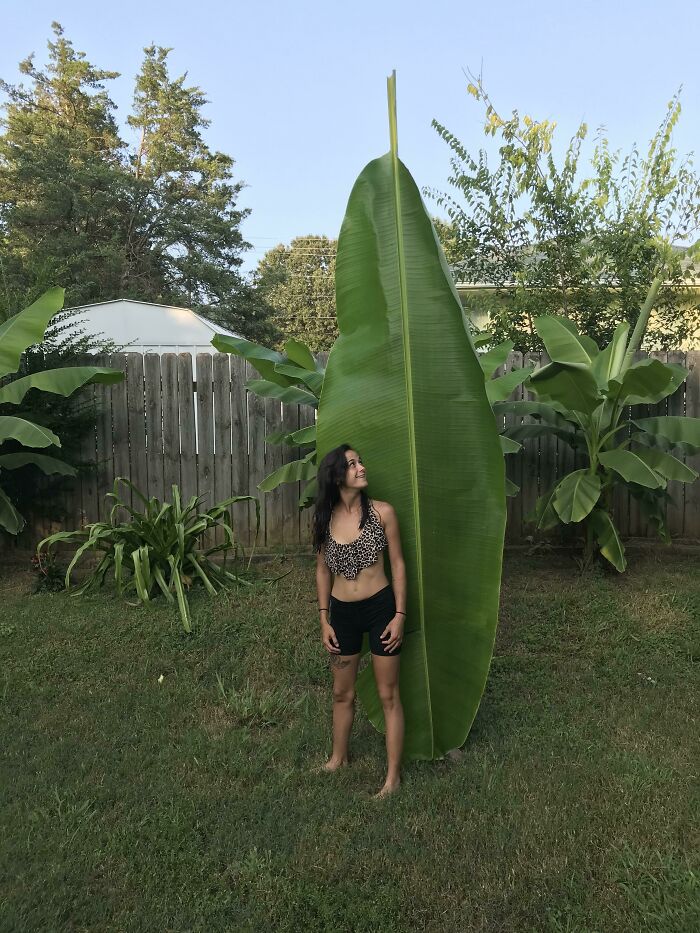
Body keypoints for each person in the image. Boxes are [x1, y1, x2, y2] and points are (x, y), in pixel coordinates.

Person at [312, 444, 407, 798]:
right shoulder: (325, 519)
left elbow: (398, 564)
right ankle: (339, 759)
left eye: (360, 461)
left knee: (388, 694)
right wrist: (324, 619)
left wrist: (399, 615)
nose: (361, 467)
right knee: (341, 692)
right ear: (338, 476)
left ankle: (392, 778)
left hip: (381, 609)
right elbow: (322, 570)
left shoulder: (383, 513)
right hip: (342, 613)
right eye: (352, 464)